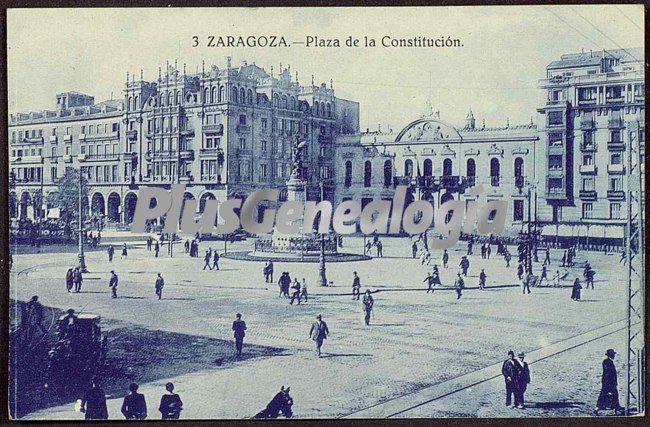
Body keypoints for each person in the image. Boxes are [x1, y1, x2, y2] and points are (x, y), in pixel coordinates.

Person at [595, 349, 624, 415]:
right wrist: (609, 382)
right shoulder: (606, 362)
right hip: (608, 382)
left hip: (609, 382)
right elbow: (608, 373)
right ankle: (598, 407)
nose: (614, 355)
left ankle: (616, 407)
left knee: (611, 394)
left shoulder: (609, 361)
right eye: (613, 354)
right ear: (610, 355)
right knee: (608, 394)